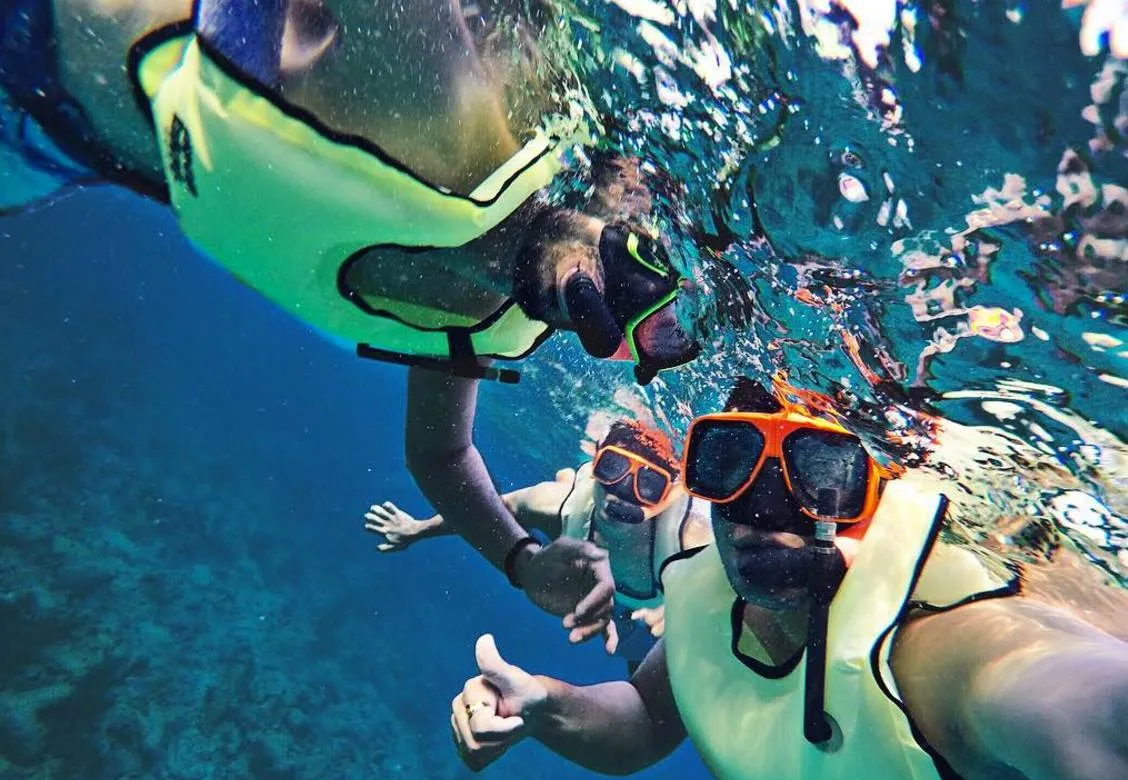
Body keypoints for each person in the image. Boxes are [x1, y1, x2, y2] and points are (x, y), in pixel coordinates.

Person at [1, 0, 701, 639]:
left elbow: (441, 453)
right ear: (619, 186)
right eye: (643, 266)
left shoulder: (474, 315)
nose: (620, 311)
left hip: (47, 151)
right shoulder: (448, 100)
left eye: (655, 337)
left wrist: (521, 561)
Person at [449, 377, 1128, 780]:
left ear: (876, 498)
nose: (761, 516)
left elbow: (1070, 699)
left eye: (820, 479)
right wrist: (543, 705)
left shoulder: (949, 653)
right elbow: (648, 719)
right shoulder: (704, 599)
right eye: (729, 464)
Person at [365, 419, 713, 664]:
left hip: (652, 604)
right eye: (612, 468)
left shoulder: (690, 539)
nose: (621, 494)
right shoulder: (558, 505)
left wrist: (689, 608)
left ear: (671, 494)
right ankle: (570, 475)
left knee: (645, 662)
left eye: (648, 485)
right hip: (614, 581)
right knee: (559, 490)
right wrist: (418, 529)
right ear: (595, 463)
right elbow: (490, 510)